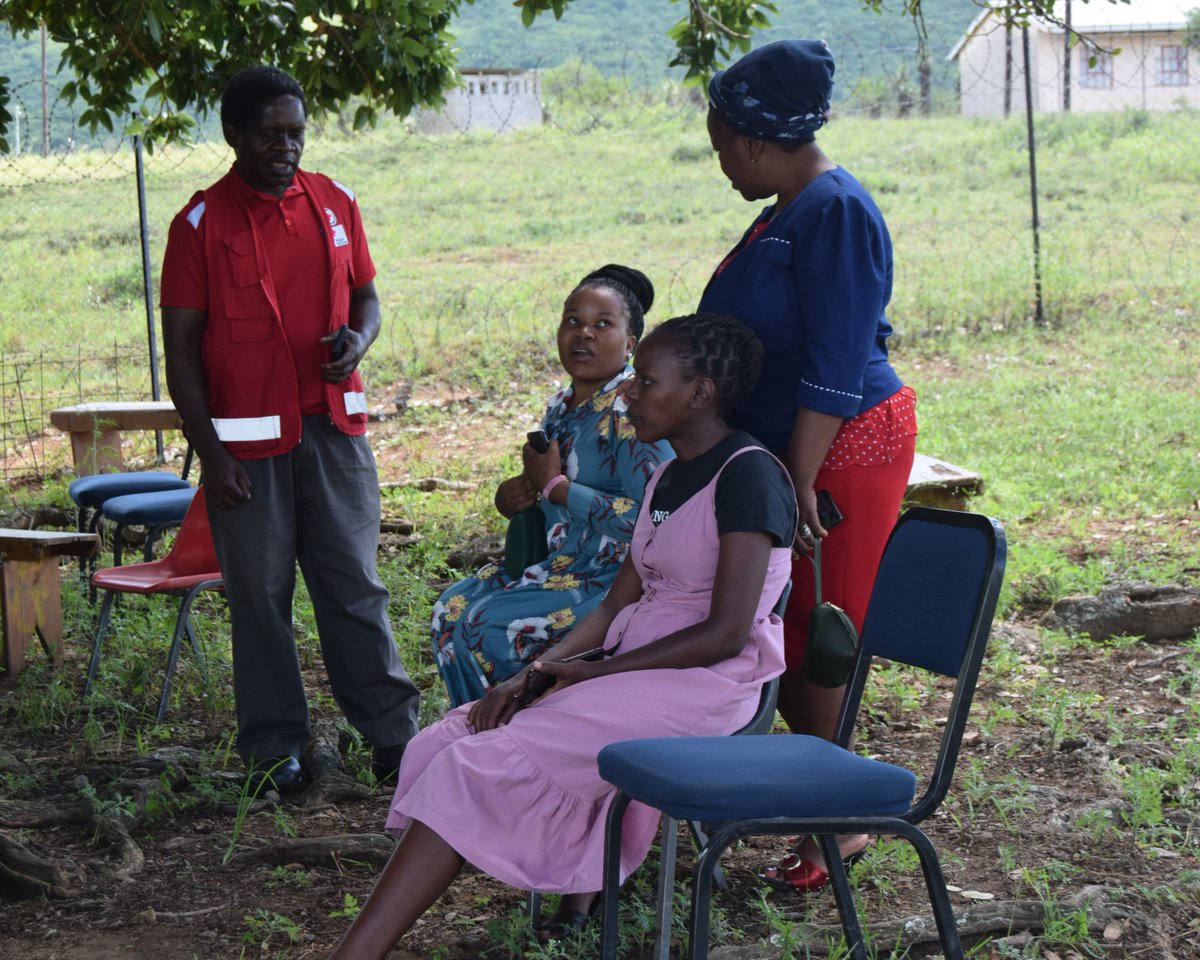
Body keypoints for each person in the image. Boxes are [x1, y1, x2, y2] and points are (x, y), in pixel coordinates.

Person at [327, 313, 797, 958]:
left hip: (705, 685)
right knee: (458, 735)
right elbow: (611, 607)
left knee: (476, 764)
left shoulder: (749, 475)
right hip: (636, 665)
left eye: (646, 381)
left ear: (701, 393)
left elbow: (723, 634)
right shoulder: (668, 474)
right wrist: (537, 672)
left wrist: (595, 674)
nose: (629, 392)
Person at [159, 65, 420, 791]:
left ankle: (394, 739)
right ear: (234, 135)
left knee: (353, 587)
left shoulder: (335, 203)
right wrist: (211, 456)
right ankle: (275, 751)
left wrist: (360, 341)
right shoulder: (199, 226)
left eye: (297, 132)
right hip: (245, 454)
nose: (287, 146)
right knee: (261, 601)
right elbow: (180, 351)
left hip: (334, 435)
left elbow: (367, 295)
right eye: (271, 133)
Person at [698, 39, 918, 891]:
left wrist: (794, 476)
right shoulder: (788, 206)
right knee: (779, 622)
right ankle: (828, 799)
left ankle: (844, 819)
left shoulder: (834, 211)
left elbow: (833, 361)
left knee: (814, 628)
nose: (720, 164)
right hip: (797, 445)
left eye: (721, 148)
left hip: (839, 441)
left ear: (754, 142)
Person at [432, 265, 671, 707]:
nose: (584, 334)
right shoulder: (564, 404)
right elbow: (545, 489)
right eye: (573, 321)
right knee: (451, 608)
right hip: (558, 563)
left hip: (613, 582)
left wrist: (559, 489)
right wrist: (515, 496)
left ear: (631, 343)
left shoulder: (631, 412)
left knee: (483, 625)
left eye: (603, 325)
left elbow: (657, 520)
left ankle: (507, 736)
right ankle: (473, 733)